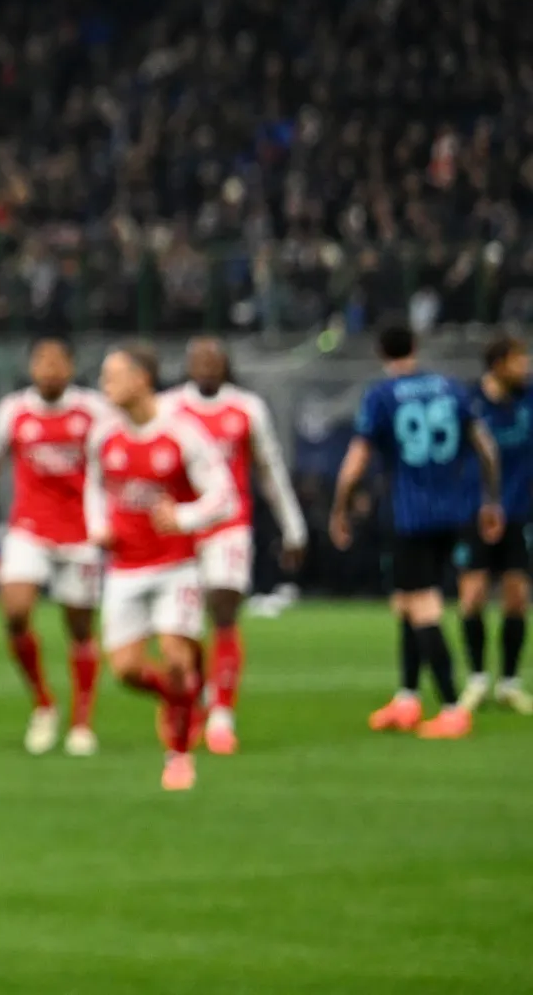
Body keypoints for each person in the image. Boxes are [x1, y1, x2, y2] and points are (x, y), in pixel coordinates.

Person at [329, 323, 504, 740]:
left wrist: (340, 507)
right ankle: (407, 698)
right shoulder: (451, 388)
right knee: (406, 602)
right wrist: (492, 499)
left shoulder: (382, 395)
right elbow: (486, 448)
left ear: (380, 351)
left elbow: (356, 461)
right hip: (454, 512)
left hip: (411, 516)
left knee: (422, 606)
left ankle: (451, 708)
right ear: (416, 346)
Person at [0, 339, 110, 757]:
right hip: (29, 529)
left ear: (71, 367)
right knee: (16, 612)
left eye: (57, 362)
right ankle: (44, 704)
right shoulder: (13, 410)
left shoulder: (94, 411)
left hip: (81, 533)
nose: (50, 369)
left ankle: (82, 723)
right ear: (31, 367)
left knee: (80, 628)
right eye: (42, 361)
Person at [84, 344, 233, 793]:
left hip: (176, 567)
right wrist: (97, 526)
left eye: (113, 375)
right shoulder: (104, 435)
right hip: (125, 569)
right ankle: (186, 696)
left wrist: (184, 517)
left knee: (175, 656)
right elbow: (94, 486)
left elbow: (224, 495)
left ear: (142, 379)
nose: (105, 385)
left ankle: (179, 757)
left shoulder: (182, 433)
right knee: (126, 670)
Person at [164, 337, 307, 755]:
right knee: (185, 624)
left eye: (214, 360)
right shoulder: (170, 408)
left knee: (224, 607)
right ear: (188, 365)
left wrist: (293, 527)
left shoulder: (246, 408)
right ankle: (196, 698)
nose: (206, 367)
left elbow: (269, 468)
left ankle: (222, 715)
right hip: (182, 527)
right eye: (199, 360)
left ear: (225, 366)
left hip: (229, 525)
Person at [459, 334, 532, 713]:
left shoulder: (528, 400)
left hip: (519, 511)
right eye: (519, 360)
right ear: (499, 364)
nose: (526, 367)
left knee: (517, 597)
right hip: (477, 513)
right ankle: (476, 679)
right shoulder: (470, 403)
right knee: (472, 596)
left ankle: (509, 682)